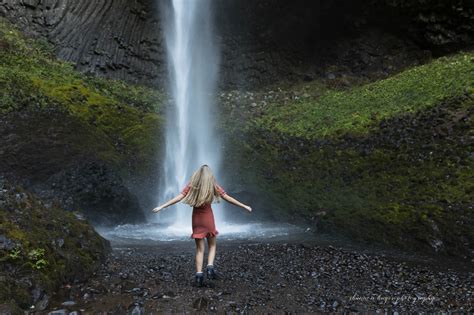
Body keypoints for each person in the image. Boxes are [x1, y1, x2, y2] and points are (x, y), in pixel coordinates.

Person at [152, 164, 252, 287]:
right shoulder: (213, 185)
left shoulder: (192, 185)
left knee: (199, 249)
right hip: (208, 218)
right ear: (210, 175)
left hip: (196, 219)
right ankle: (210, 267)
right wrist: (244, 206)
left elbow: (179, 197)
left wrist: (162, 206)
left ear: (198, 174)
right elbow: (227, 198)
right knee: (212, 245)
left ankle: (199, 275)